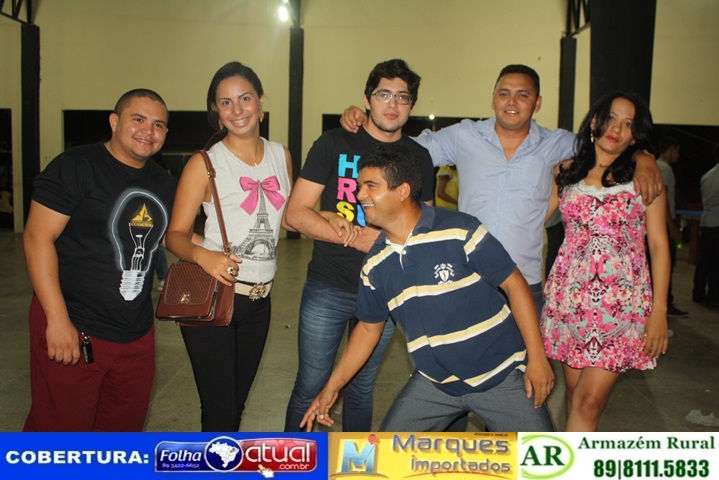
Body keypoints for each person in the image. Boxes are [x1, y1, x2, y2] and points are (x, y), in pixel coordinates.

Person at [341, 64, 663, 314]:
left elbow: (608, 145)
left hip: (525, 281)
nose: (512, 102)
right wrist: (365, 121)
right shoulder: (464, 136)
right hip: (466, 277)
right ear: (493, 98)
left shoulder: (557, 144)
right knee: (461, 364)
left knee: (526, 368)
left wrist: (643, 156)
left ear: (537, 103)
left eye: (523, 95)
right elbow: (402, 149)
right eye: (504, 93)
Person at [300, 143, 555, 432]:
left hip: (501, 375)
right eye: (359, 187)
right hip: (435, 383)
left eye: (371, 186)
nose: (359, 195)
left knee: (543, 455)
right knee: (389, 454)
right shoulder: (375, 264)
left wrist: (537, 359)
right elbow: (369, 329)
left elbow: (514, 283)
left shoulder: (460, 230)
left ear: (402, 191)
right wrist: (332, 387)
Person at [283, 59, 435, 432]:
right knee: (310, 384)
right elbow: (295, 214)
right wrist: (355, 236)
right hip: (328, 286)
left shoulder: (418, 157)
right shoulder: (334, 143)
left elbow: (425, 228)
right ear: (367, 99)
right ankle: (293, 459)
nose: (392, 104)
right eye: (383, 94)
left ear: (412, 105)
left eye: (402, 97)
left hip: (384, 291)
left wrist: (381, 241)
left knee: (361, 387)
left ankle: (355, 464)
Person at [23, 89, 176, 431]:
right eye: (138, 119)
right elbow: (37, 238)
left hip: (135, 334)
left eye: (158, 125)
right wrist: (57, 320)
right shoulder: (76, 166)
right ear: (114, 121)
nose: (148, 131)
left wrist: (219, 253)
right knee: (60, 433)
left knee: (122, 433)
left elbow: (172, 235)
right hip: (75, 324)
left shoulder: (163, 183)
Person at [165, 61, 292, 432]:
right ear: (216, 111)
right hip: (215, 297)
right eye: (226, 102)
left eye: (245, 98)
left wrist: (329, 218)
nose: (237, 110)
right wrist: (203, 256)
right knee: (220, 412)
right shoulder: (204, 163)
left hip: (260, 302)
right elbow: (175, 234)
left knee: (236, 408)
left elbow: (285, 218)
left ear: (260, 101)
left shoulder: (281, 155)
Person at [541, 92, 670, 432]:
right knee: (575, 398)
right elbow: (532, 220)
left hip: (621, 306)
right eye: (611, 118)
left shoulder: (645, 178)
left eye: (628, 124)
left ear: (635, 136)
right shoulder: (565, 172)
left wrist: (659, 311)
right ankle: (580, 458)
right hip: (571, 301)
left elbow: (659, 246)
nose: (616, 129)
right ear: (595, 121)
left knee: (588, 402)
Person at [655, 137, 689, 317]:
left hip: (659, 221)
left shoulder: (656, 165)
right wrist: (672, 226)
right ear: (670, 149)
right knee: (667, 262)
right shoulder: (665, 169)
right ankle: (666, 304)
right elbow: (664, 199)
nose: (678, 155)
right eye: (677, 150)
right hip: (664, 223)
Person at [693, 144, 719, 308]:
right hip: (717, 223)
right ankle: (714, 296)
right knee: (716, 263)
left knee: (704, 260)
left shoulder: (706, 176)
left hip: (707, 221)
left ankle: (698, 292)